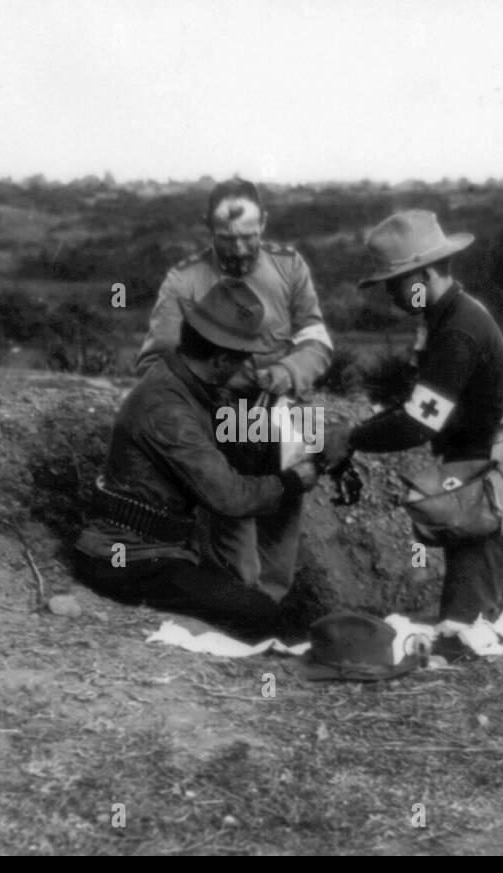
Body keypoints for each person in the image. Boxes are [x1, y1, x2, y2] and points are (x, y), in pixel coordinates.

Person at [322, 210, 503, 637]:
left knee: (462, 632)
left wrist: (350, 438)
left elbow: (418, 423)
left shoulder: (457, 331)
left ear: (423, 276)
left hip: (495, 483)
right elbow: (419, 407)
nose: (391, 294)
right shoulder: (448, 318)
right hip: (482, 475)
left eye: (396, 283)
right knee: (464, 623)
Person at [73, 280, 319, 642]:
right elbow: (229, 497)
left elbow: (239, 438)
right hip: (127, 560)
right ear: (221, 360)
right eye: (242, 357)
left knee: (245, 601)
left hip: (158, 553)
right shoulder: (168, 407)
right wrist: (296, 480)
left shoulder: (190, 385)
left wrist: (303, 437)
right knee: (259, 614)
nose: (247, 365)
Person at [135, 178, 333, 602]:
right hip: (222, 418)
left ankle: (270, 614)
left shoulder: (290, 267)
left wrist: (291, 368)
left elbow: (316, 337)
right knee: (236, 532)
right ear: (207, 226)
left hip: (286, 414)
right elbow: (157, 365)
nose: (240, 249)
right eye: (227, 238)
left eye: (249, 236)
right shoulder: (183, 281)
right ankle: (238, 611)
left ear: (265, 222)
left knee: (283, 521)